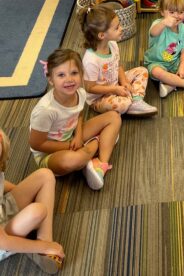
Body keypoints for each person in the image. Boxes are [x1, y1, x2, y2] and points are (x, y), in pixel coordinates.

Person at [29, 49, 121, 191]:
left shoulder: (80, 93)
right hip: (50, 153)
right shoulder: (45, 111)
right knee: (72, 160)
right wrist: (70, 146)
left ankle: (100, 165)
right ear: (50, 79)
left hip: (72, 137)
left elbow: (79, 114)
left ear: (81, 74)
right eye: (61, 75)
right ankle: (100, 142)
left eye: (74, 73)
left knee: (114, 117)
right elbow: (37, 144)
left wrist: (78, 136)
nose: (69, 79)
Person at [0, 129, 64, 274]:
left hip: (2, 210)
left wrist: (24, 191)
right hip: (2, 241)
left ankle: (44, 240)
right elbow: (3, 241)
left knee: (45, 175)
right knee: (38, 211)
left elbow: (2, 183)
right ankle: (43, 248)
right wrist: (45, 246)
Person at [79, 5, 157, 116]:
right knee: (122, 104)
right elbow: (90, 88)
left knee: (142, 71)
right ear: (102, 35)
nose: (121, 28)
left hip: (115, 83)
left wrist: (124, 82)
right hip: (100, 98)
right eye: (116, 28)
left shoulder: (113, 44)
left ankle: (136, 100)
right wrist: (115, 89)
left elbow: (118, 66)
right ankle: (131, 101)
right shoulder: (91, 60)